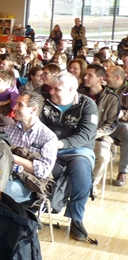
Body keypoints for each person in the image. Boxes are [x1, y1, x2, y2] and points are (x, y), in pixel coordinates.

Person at [40, 72, 97, 241]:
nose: (51, 92)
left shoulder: (87, 105)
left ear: (71, 90)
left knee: (81, 170)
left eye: (57, 89)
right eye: (50, 88)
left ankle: (76, 218)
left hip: (78, 149)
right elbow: (37, 125)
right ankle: (30, 210)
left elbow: (86, 135)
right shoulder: (44, 101)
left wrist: (61, 144)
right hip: (47, 146)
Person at [4, 91, 58, 203]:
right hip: (7, 173)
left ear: (33, 109)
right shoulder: (8, 129)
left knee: (2, 190)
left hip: (30, 183)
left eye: (20, 105)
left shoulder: (48, 137)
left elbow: (43, 171)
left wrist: (13, 158)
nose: (14, 107)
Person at [80, 64, 120, 197]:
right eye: (85, 74)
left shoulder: (112, 98)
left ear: (100, 79)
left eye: (90, 75)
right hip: (79, 134)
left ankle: (92, 184)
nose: (85, 77)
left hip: (100, 136)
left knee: (103, 155)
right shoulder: (79, 94)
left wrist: (92, 134)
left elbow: (111, 125)